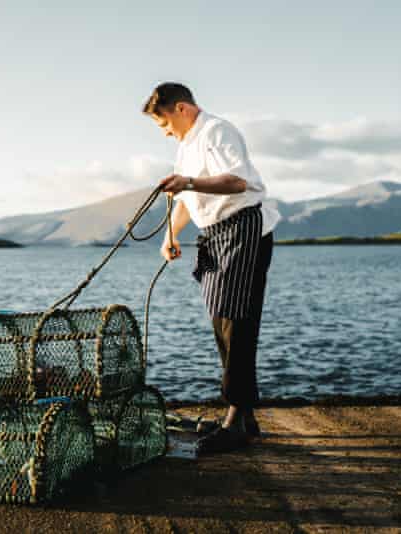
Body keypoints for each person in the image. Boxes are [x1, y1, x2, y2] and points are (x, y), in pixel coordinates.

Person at [142, 82, 281, 454]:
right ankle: (244, 416)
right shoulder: (185, 149)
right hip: (215, 235)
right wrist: (169, 235)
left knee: (237, 321)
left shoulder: (217, 131)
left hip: (244, 227)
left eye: (165, 124)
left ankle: (235, 418)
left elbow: (238, 182)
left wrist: (188, 180)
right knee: (222, 319)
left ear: (182, 109)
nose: (166, 132)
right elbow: (187, 201)